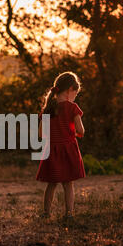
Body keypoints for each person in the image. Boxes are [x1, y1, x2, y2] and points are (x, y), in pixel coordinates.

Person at [36, 71, 85, 221]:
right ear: (70, 89)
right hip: (67, 150)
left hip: (51, 150)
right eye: (76, 93)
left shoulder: (49, 108)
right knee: (68, 184)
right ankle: (69, 214)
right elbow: (80, 130)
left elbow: (40, 134)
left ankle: (46, 213)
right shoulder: (72, 108)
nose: (75, 96)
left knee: (51, 184)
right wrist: (73, 133)